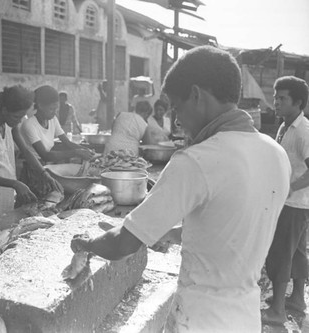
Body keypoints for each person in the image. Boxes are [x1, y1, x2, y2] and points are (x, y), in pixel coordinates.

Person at [70, 46, 291, 332]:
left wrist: (86, 244)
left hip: (198, 320)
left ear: (197, 95)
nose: (176, 120)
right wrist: (171, 233)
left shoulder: (196, 160)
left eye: (176, 107)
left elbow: (123, 244)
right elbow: (233, 226)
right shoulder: (276, 154)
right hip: (245, 318)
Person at [0, 85, 62, 227]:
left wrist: (44, 173)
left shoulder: (10, 125)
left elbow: (25, 150)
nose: (19, 121)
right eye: (17, 117)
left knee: (2, 235)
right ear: (5, 110)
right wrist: (15, 183)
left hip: (5, 193)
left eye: (21, 117)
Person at [263, 76, 309, 326]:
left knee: (280, 253)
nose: (276, 102)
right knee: (299, 252)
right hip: (295, 204)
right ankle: (298, 299)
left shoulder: (303, 131)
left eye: (282, 98)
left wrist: (289, 187)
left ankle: (277, 309)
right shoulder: (284, 126)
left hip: (294, 204)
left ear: (298, 102)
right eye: (275, 97)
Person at [19, 85, 94, 198]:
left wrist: (85, 150)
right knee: (32, 204)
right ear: (40, 106)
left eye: (56, 109)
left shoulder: (53, 120)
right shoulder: (29, 125)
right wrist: (76, 152)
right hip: (33, 170)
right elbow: (45, 155)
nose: (54, 112)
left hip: (46, 169)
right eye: (51, 109)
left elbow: (67, 143)